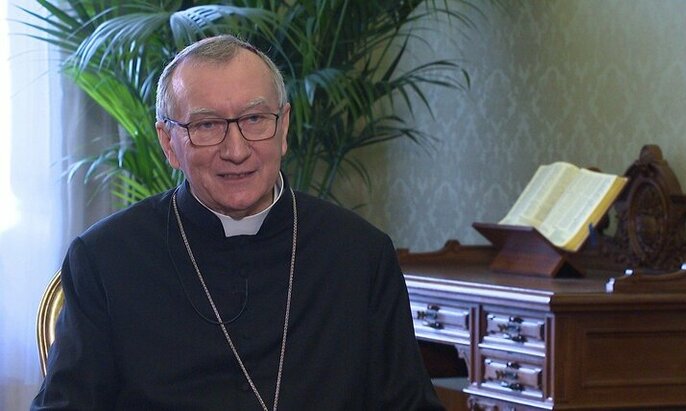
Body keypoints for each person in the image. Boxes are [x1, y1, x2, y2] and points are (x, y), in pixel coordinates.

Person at [31, 35, 443, 410]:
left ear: (284, 127)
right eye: (207, 125)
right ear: (168, 143)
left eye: (255, 120)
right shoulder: (107, 258)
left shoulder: (360, 254)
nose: (236, 150)